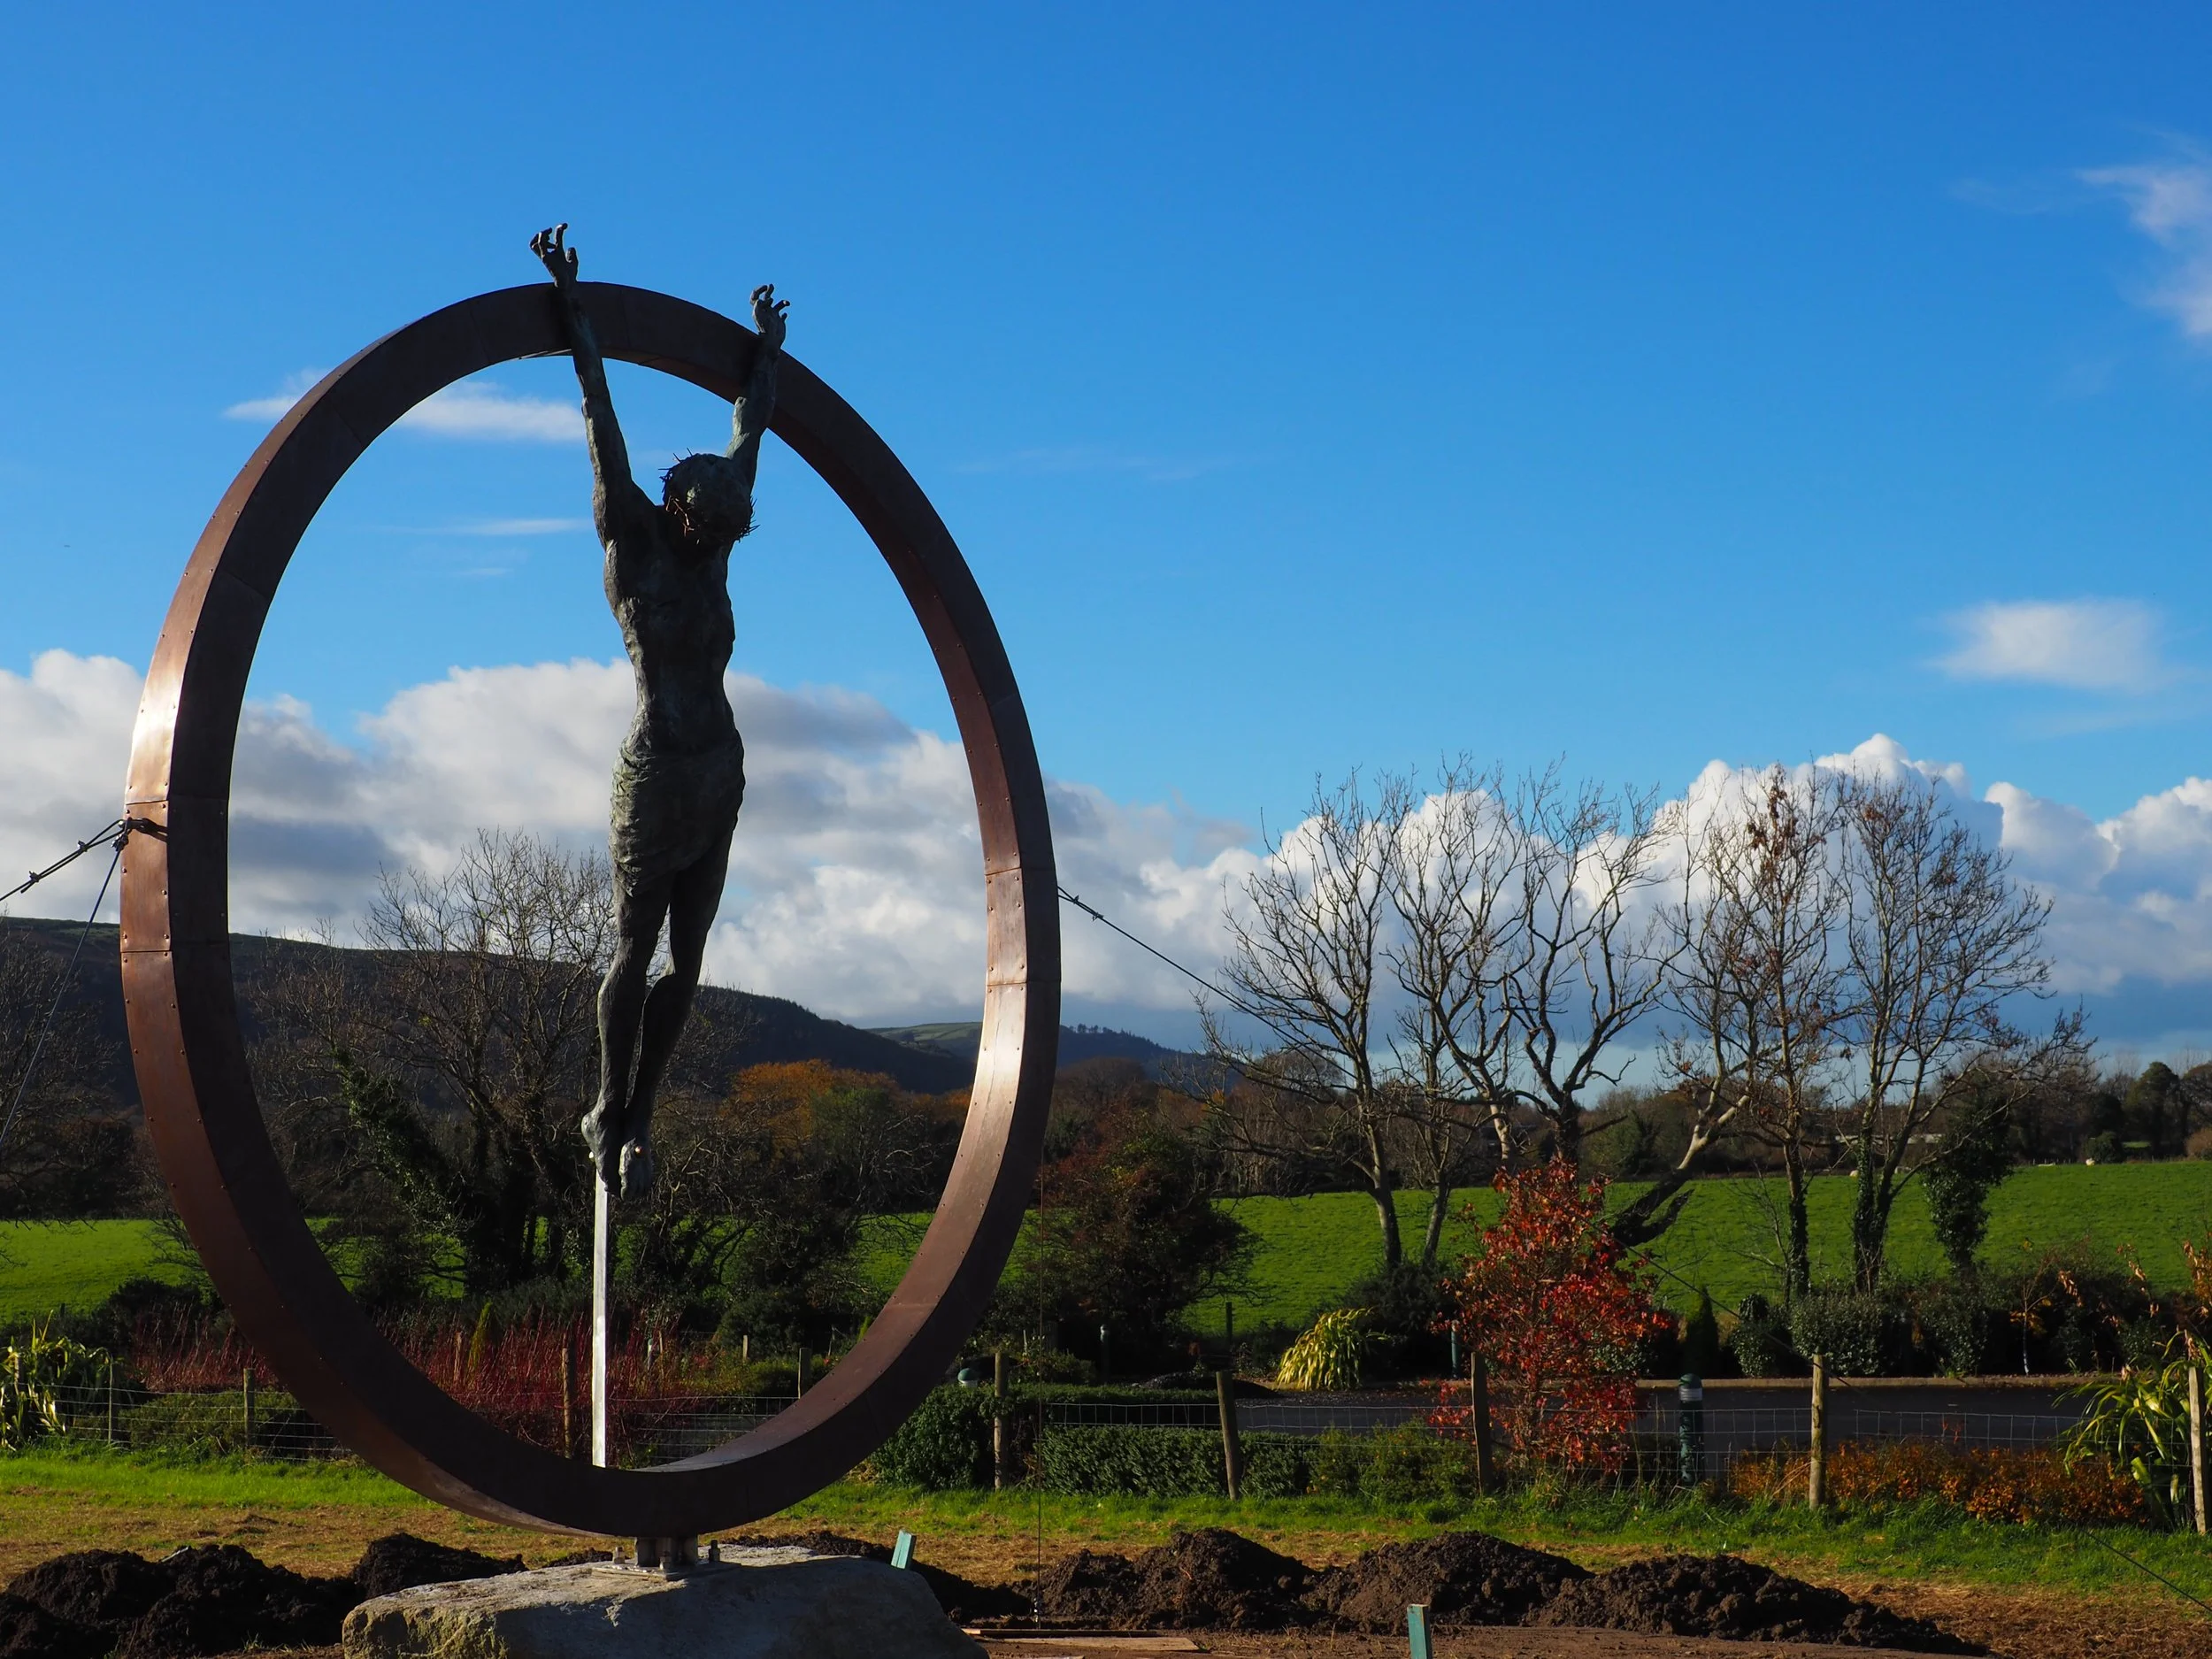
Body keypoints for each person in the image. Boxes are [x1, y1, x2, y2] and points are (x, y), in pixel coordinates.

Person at [529, 223, 787, 1199]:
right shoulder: (634, 545)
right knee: (633, 951)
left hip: (719, 770)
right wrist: (575, 310)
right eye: (704, 520)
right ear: (680, 506)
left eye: (724, 527)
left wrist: (765, 352)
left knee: (692, 956)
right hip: (654, 774)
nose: (713, 535)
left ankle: (646, 1110)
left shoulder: (714, 540)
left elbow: (751, 429)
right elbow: (600, 418)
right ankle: (607, 1101)